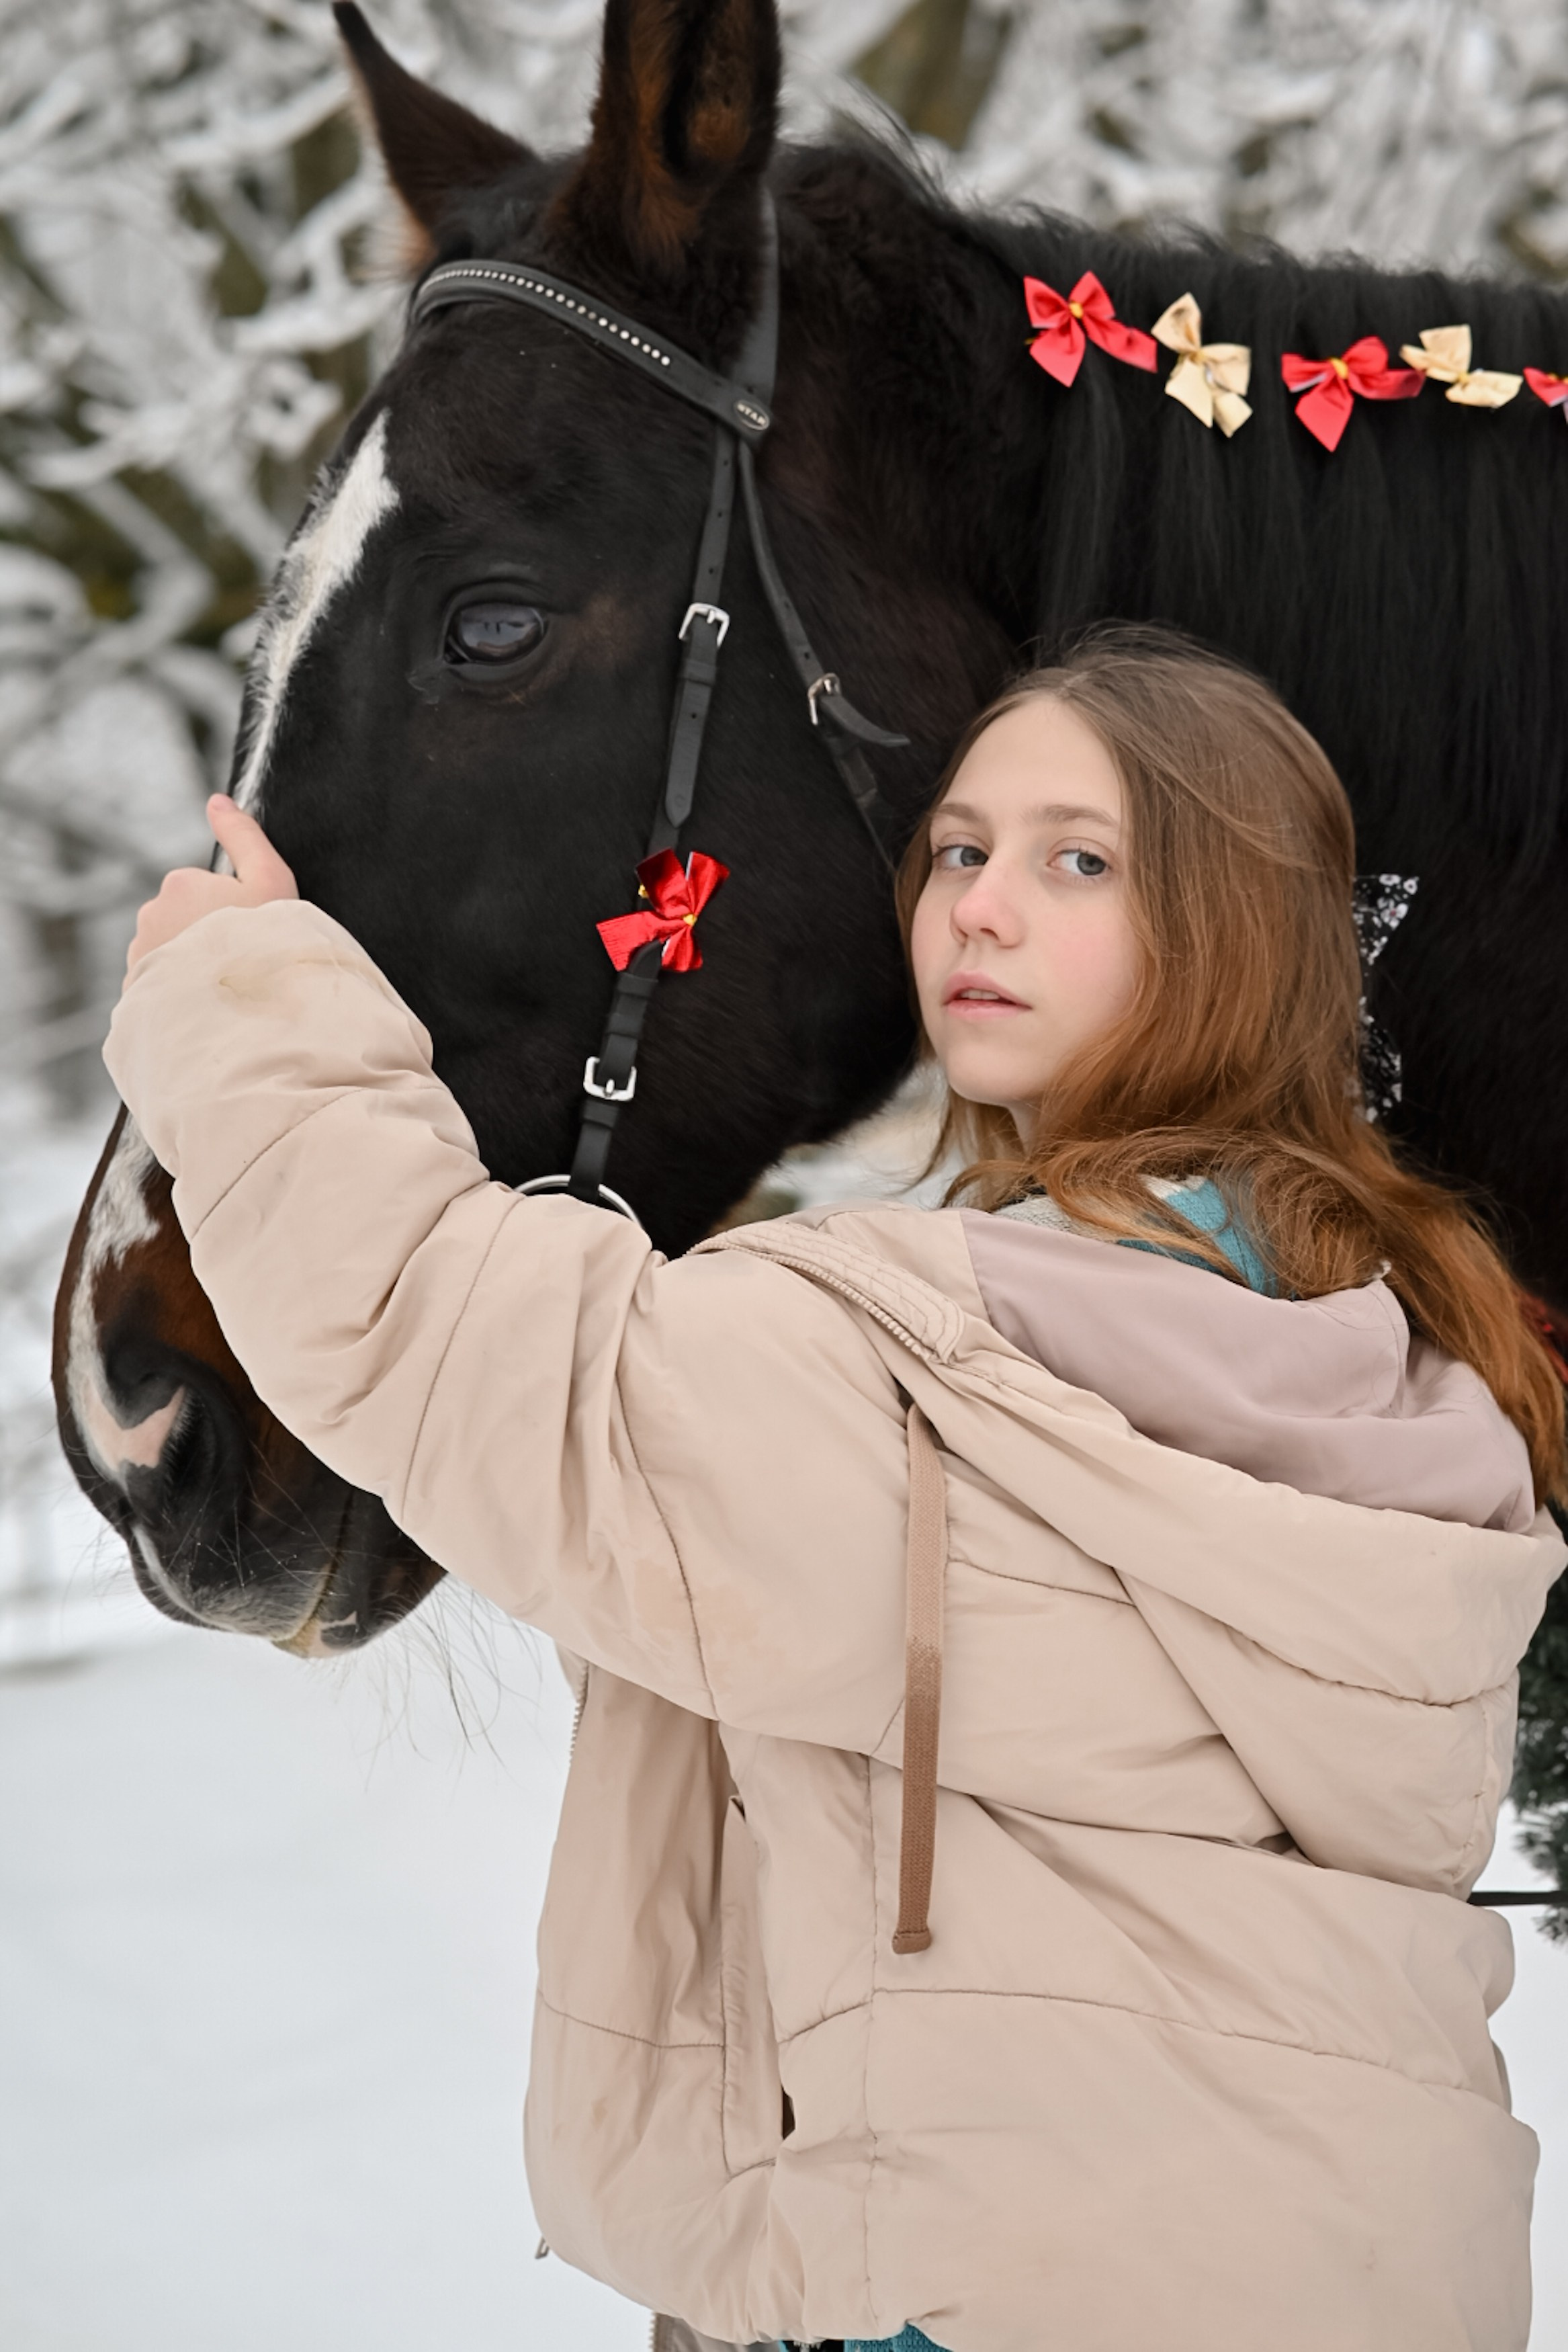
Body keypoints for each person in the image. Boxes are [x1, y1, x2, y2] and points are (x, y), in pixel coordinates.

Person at [107, 627, 1566, 2352]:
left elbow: (471, 1347)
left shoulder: (951, 1370)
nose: (981, 907)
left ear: (1231, 934)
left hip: (991, 2293)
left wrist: (244, 994)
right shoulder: (1380, 1356)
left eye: (1077, 860)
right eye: (961, 848)